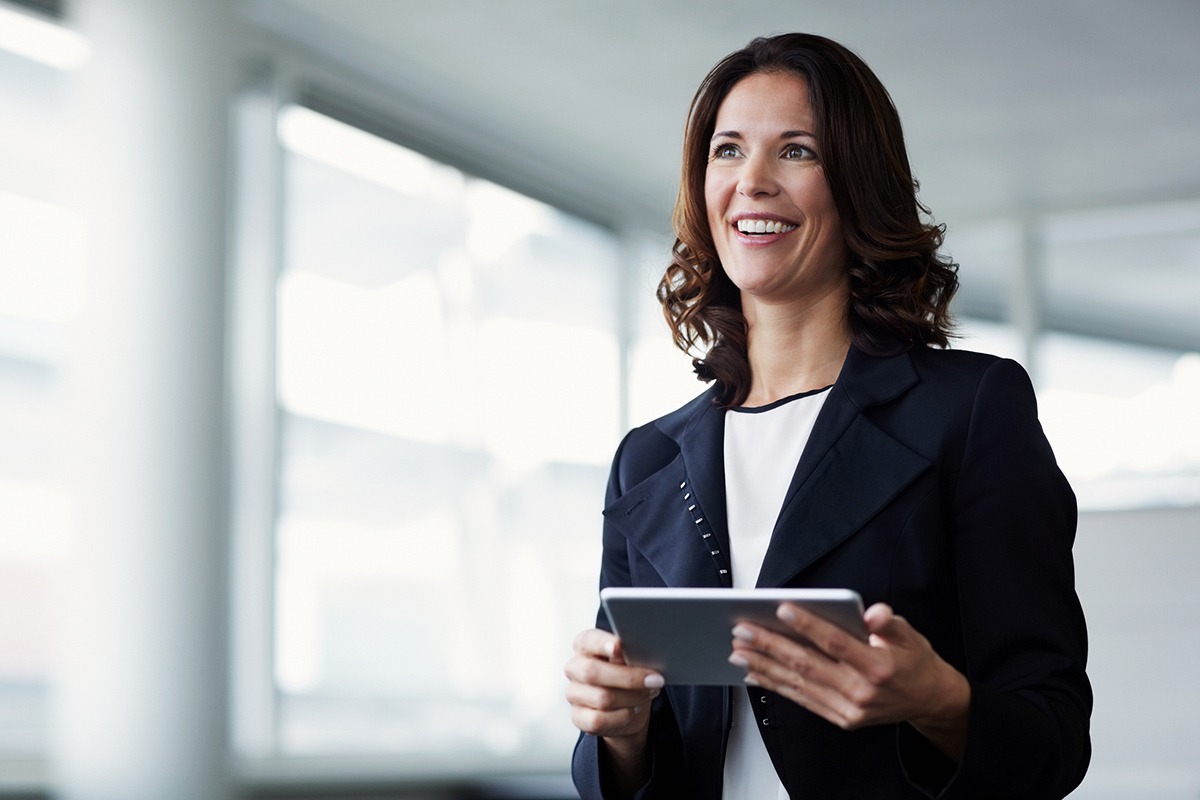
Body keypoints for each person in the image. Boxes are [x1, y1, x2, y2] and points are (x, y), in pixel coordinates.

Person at [564, 33, 1091, 800]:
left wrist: (936, 701)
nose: (753, 181)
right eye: (728, 151)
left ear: (857, 184)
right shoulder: (647, 460)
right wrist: (618, 729)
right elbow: (627, 766)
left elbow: (1053, 741)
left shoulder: (971, 410)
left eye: (797, 152)